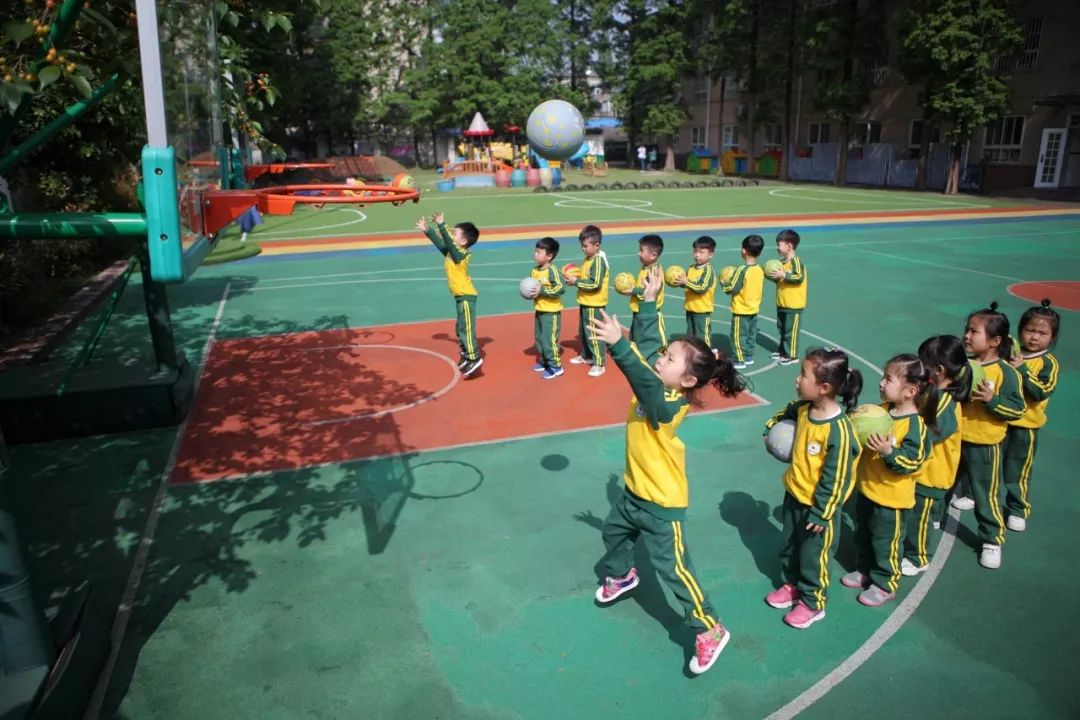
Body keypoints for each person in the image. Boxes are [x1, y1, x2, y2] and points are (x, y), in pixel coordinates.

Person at [588, 266, 746, 674]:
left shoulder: (669, 404)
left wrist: (618, 347)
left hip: (661, 504)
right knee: (612, 533)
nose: (661, 358)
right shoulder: (661, 383)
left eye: (670, 358)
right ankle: (622, 576)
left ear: (688, 378)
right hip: (633, 494)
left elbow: (640, 371)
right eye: (665, 354)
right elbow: (646, 349)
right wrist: (649, 303)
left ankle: (710, 628)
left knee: (675, 571)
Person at [763, 348, 862, 629]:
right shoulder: (805, 410)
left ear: (824, 387)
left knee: (813, 556)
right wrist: (770, 429)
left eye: (803, 375)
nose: (797, 380)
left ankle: (813, 601)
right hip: (795, 494)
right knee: (790, 546)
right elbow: (786, 413)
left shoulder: (839, 433)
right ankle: (792, 585)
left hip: (819, 509)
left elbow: (837, 478)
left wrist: (822, 513)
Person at [842, 355, 933, 606]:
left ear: (910, 391)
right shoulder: (879, 411)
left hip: (892, 499)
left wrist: (889, 453)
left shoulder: (914, 425)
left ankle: (885, 583)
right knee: (863, 534)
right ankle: (864, 569)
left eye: (889, 379)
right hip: (868, 489)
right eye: (883, 378)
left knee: (886, 542)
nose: (881, 383)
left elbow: (914, 461)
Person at [950, 303, 1025, 569]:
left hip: (985, 444)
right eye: (966, 330)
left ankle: (992, 539)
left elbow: (1018, 409)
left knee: (985, 493)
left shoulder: (1006, 373)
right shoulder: (962, 365)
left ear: (995, 341)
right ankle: (930, 524)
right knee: (941, 486)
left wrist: (992, 401)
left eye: (974, 331)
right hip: (954, 440)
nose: (967, 336)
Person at [902, 335, 972, 575]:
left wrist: (902, 437)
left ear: (939, 370)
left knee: (917, 517)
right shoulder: (936, 394)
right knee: (921, 514)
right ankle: (929, 524)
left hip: (931, 474)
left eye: (923, 364)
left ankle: (918, 556)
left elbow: (932, 433)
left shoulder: (944, 401)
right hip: (929, 470)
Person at [1002, 300, 1061, 532]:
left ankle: (1017, 508)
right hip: (1000, 419)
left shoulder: (1048, 363)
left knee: (1018, 468)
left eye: (1042, 333)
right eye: (1030, 330)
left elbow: (1041, 391)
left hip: (1026, 426)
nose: (1035, 337)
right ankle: (977, 494)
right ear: (1020, 331)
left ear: (1052, 337)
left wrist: (1022, 370)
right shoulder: (1010, 354)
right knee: (988, 463)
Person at [415, 213, 483, 376]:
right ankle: (467, 354)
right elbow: (442, 244)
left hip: (467, 297)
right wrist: (428, 230)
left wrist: (442, 225)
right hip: (460, 297)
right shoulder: (452, 252)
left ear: (464, 242)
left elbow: (449, 245)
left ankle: (474, 358)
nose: (450, 236)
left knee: (466, 329)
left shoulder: (462, 254)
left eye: (454, 234)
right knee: (459, 329)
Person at [566, 224, 609, 377]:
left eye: (586, 246)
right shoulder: (588, 259)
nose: (583, 249)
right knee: (583, 332)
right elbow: (584, 278)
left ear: (596, 245)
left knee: (593, 334)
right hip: (585, 301)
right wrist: (573, 277)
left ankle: (599, 362)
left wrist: (576, 282)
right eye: (582, 246)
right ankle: (586, 355)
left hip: (594, 303)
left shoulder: (598, 261)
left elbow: (595, 284)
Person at [721, 234, 765, 370]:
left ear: (743, 251)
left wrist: (723, 284)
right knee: (751, 334)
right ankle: (748, 356)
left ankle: (739, 360)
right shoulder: (760, 269)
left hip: (741, 310)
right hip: (754, 309)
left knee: (738, 336)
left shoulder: (741, 270)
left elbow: (733, 287)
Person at [767, 229, 807, 366]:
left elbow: (799, 277)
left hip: (793, 304)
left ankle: (792, 355)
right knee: (782, 328)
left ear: (789, 246)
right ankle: (783, 351)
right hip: (782, 303)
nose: (777, 248)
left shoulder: (796, 261)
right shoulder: (781, 263)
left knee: (791, 331)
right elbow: (781, 280)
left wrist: (784, 275)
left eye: (779, 244)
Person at [528, 237, 565, 379]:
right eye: (535, 251)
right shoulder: (534, 271)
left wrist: (541, 291)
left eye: (539, 252)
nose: (535, 254)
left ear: (549, 256)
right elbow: (532, 288)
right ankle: (545, 361)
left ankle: (556, 366)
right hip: (539, 310)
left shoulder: (552, 270)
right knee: (539, 338)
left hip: (551, 312)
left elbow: (560, 288)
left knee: (549, 340)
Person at [623, 234, 667, 345]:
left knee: (655, 341)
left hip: (650, 313)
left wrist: (633, 290)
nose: (638, 253)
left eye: (641, 250)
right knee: (635, 340)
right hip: (639, 311)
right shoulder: (646, 267)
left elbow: (649, 292)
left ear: (653, 255)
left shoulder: (654, 271)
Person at [676, 236, 717, 349]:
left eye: (701, 252)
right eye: (695, 251)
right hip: (690, 308)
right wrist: (678, 281)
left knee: (702, 336)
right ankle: (694, 358)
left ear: (710, 255)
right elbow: (686, 283)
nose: (697, 255)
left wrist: (686, 282)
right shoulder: (691, 268)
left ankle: (707, 356)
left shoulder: (708, 271)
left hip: (702, 311)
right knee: (691, 336)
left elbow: (701, 288)